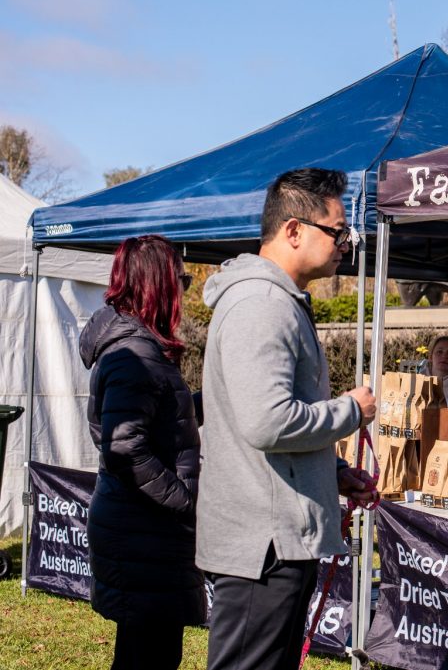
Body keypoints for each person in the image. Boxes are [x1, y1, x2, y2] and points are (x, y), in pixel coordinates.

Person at [197, 168, 378, 670]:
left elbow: (260, 429)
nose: (346, 243)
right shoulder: (262, 304)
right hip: (263, 550)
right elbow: (267, 422)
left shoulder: (277, 302)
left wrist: (333, 474)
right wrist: (350, 412)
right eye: (337, 231)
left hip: (271, 541)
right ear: (293, 230)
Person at [79, 235, 205, 670]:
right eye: (182, 280)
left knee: (143, 653)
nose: (185, 291)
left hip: (143, 532)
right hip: (141, 532)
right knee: (147, 656)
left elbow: (157, 419)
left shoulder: (139, 347)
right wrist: (183, 499)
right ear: (157, 284)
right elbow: (125, 450)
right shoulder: (132, 353)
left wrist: (211, 401)